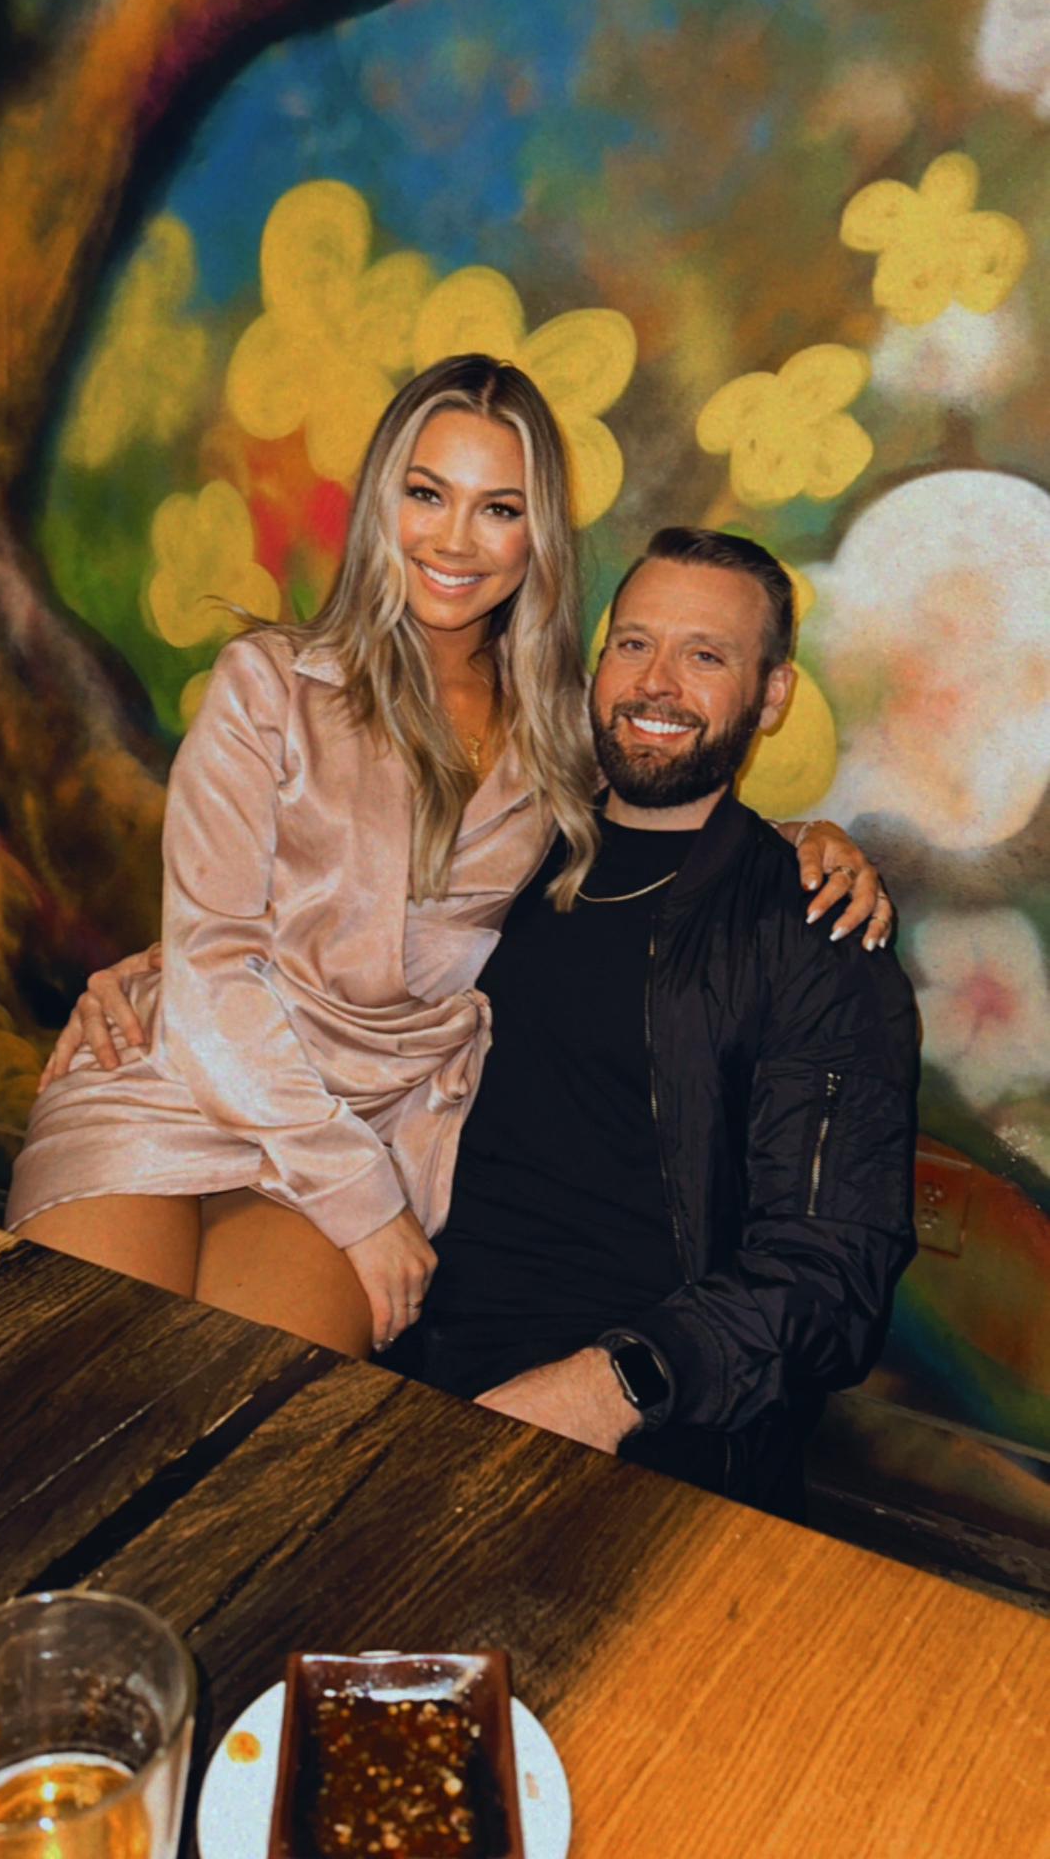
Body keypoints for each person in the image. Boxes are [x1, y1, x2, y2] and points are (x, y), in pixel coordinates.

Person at [9, 355, 890, 1361]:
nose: (454, 540)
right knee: (69, 1385)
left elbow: (668, 786)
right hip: (188, 1077)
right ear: (382, 502)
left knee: (246, 1418)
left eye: (497, 508)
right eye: (427, 493)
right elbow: (215, 962)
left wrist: (802, 843)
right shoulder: (270, 684)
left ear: (536, 533)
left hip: (373, 1116)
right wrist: (362, 1203)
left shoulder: (563, 734)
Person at [392, 526, 918, 1519]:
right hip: (399, 1329)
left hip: (643, 1418)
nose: (656, 682)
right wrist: (157, 970)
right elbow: (325, 963)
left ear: (771, 695)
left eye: (704, 655)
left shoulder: (814, 931)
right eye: (633, 643)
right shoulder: (502, 849)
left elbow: (829, 1276)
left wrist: (611, 1386)